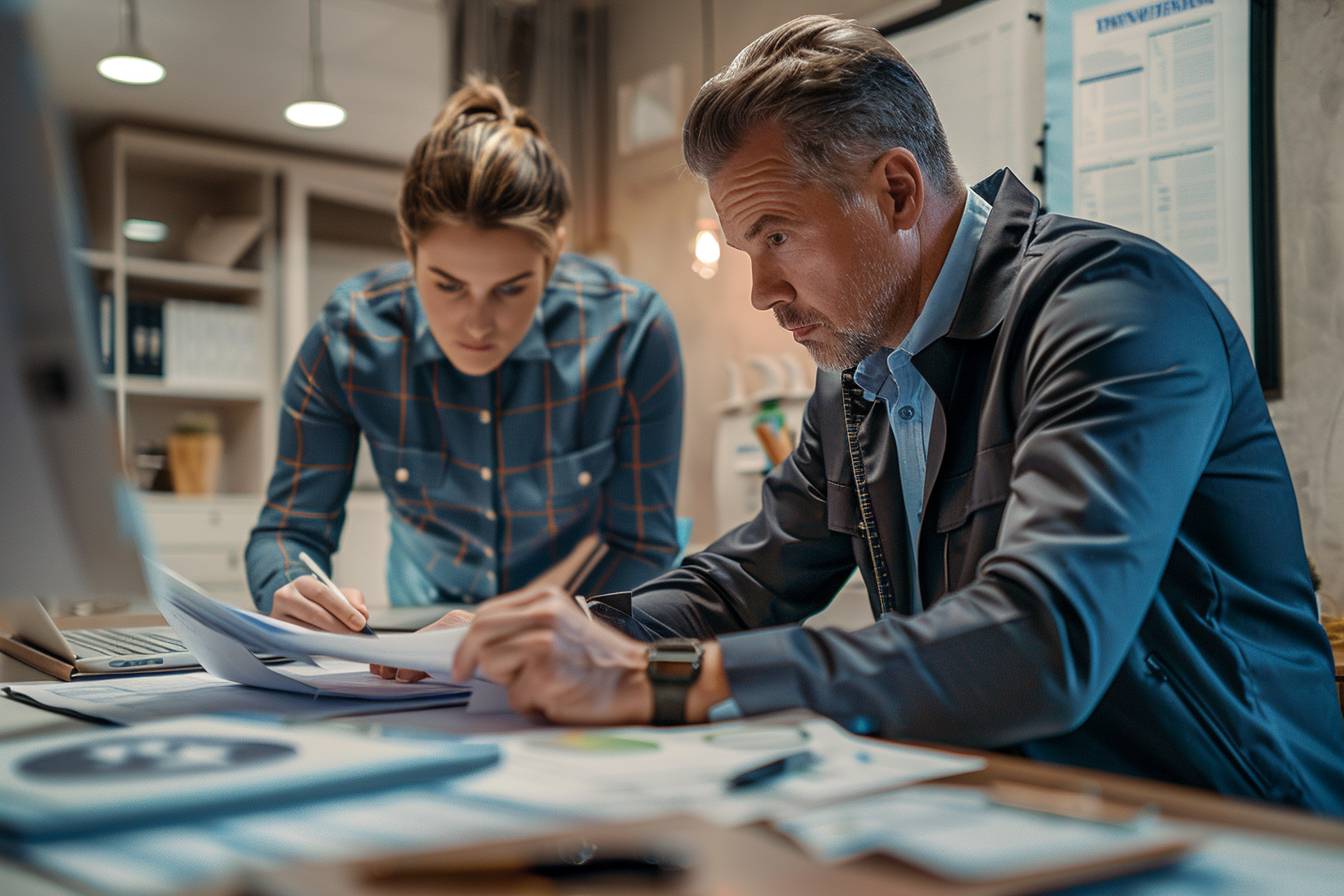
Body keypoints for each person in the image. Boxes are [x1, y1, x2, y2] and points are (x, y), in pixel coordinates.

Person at [421, 16, 1344, 814]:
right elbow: (744, 585)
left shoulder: (1114, 311)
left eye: (777, 236)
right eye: (747, 248)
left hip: (1241, 832)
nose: (760, 291)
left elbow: (1043, 638)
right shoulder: (859, 378)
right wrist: (543, 634)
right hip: (1027, 819)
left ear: (897, 191)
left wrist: (665, 680)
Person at [245, 80, 684, 645]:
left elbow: (642, 543)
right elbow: (286, 529)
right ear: (409, 247)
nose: (477, 323)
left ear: (552, 254)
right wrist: (289, 584)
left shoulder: (632, 331)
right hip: (418, 631)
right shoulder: (348, 335)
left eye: (510, 288)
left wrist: (536, 627)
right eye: (448, 286)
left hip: (570, 626)